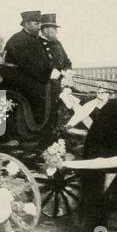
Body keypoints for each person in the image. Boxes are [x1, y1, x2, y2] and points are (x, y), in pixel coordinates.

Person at [0, 10, 54, 146]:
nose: (39, 26)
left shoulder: (31, 39)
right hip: (15, 80)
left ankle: (41, 132)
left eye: (40, 23)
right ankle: (29, 134)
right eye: (36, 23)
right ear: (27, 24)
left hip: (27, 76)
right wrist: (45, 75)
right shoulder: (17, 39)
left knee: (49, 88)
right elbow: (25, 65)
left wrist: (47, 72)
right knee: (39, 91)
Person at [39, 13, 72, 142]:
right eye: (54, 28)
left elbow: (67, 61)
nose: (56, 31)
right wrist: (50, 73)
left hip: (61, 82)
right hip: (46, 85)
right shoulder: (37, 43)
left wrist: (67, 72)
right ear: (46, 29)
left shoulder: (58, 43)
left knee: (80, 97)